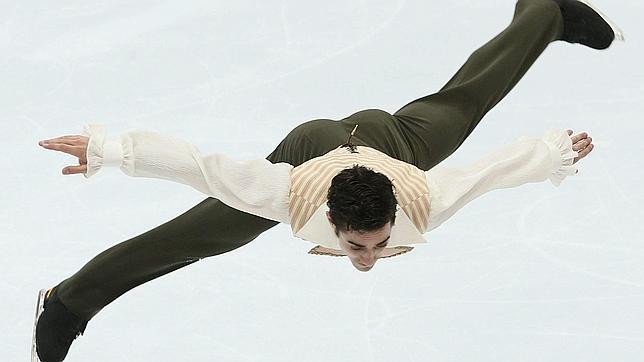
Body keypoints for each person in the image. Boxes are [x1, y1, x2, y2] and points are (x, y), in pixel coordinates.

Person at [32, 0, 623, 361]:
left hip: (393, 143)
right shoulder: (284, 193)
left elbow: (491, 171)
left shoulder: (424, 198)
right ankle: (68, 301)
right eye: (357, 246)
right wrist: (110, 149)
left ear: (395, 215)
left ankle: (545, 11)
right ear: (331, 225)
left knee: (464, 106)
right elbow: (199, 165)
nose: (366, 258)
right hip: (312, 146)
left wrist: (557, 152)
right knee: (205, 232)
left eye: (375, 242)